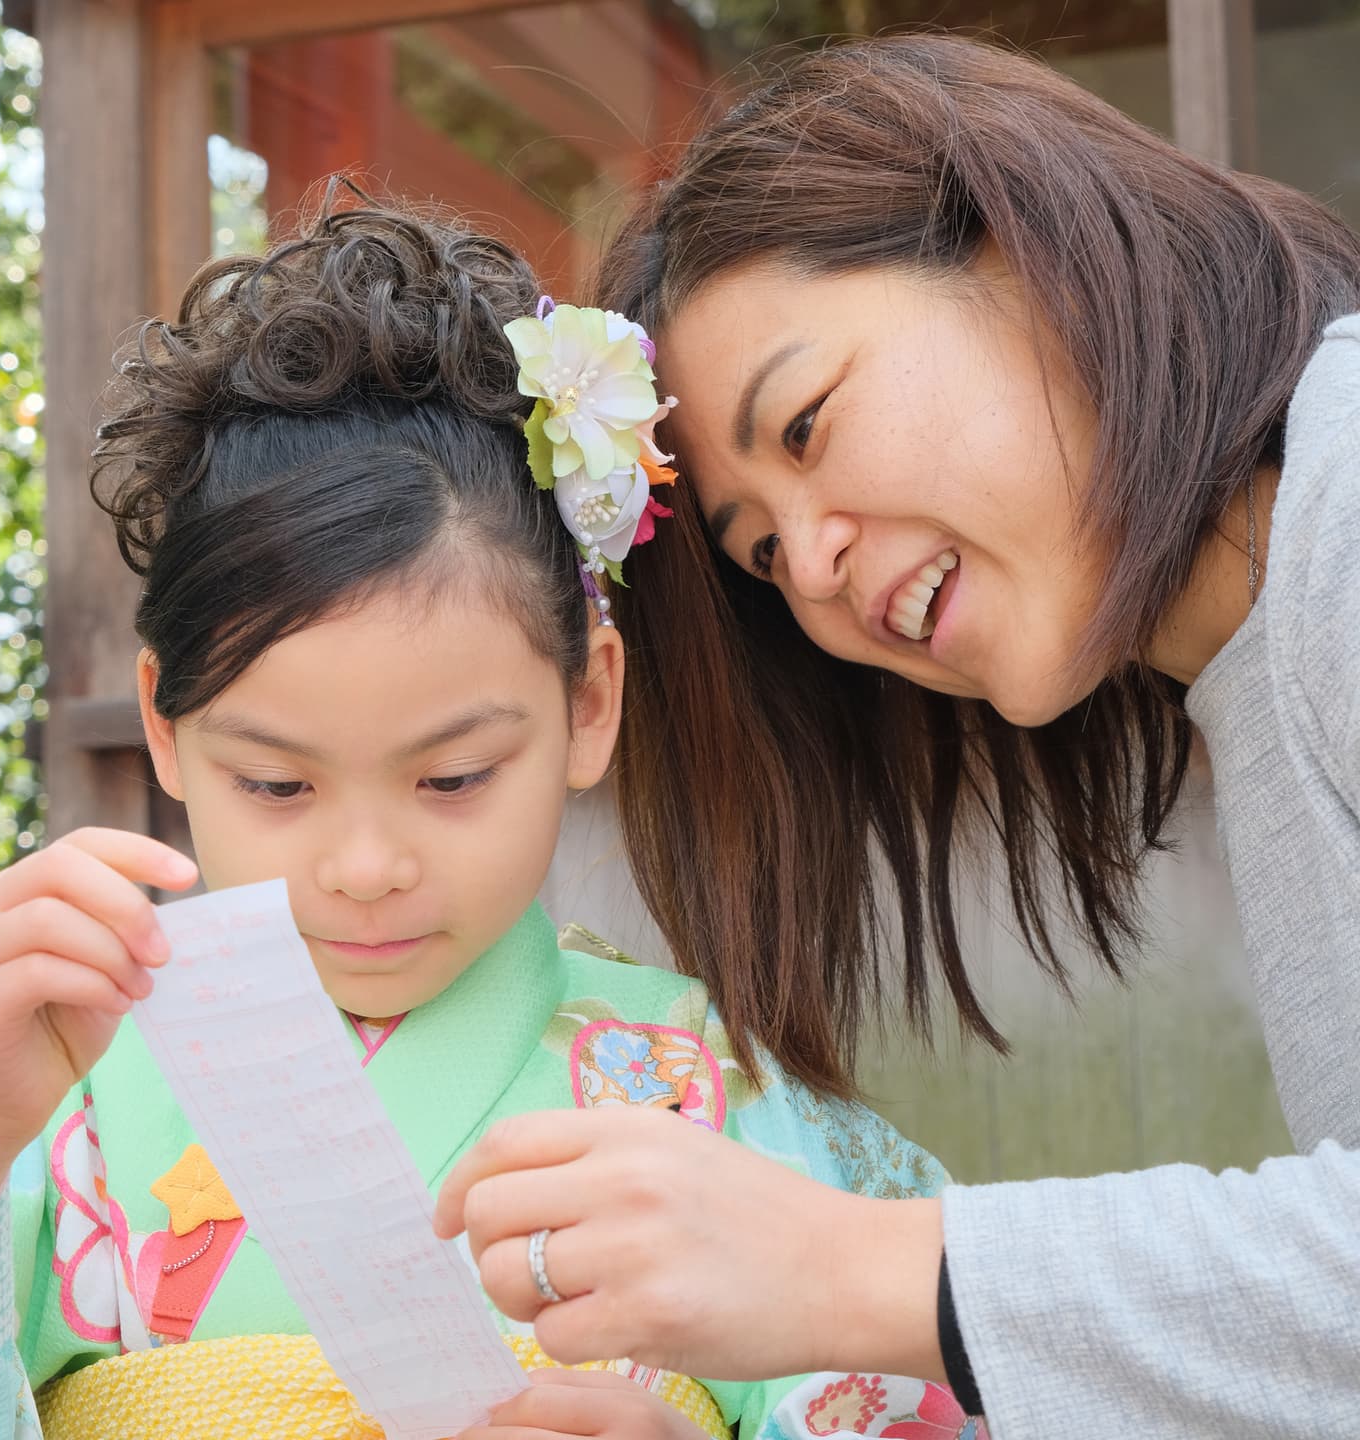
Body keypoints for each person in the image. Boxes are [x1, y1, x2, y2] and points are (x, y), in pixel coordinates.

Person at [0, 190, 965, 1440]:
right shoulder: (44, 1086)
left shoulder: (714, 1100)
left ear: (589, 703)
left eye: (453, 777)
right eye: (278, 784)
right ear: (164, 724)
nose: (365, 868)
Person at [431, 33, 1360, 1439]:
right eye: (756, 553)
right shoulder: (1246, 682)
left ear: (1025, 244)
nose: (809, 569)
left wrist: (845, 1264)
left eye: (804, 424)